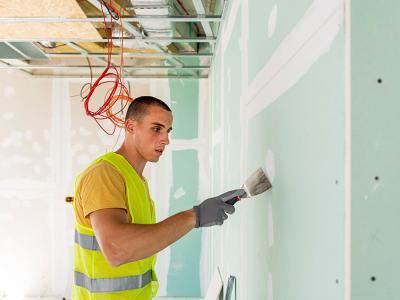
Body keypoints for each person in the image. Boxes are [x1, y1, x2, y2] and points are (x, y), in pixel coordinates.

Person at [71, 96, 243, 300]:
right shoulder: (104, 174)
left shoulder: (136, 180)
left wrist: (195, 217)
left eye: (168, 131)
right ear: (131, 127)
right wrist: (193, 217)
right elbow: (116, 249)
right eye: (156, 128)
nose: (166, 139)